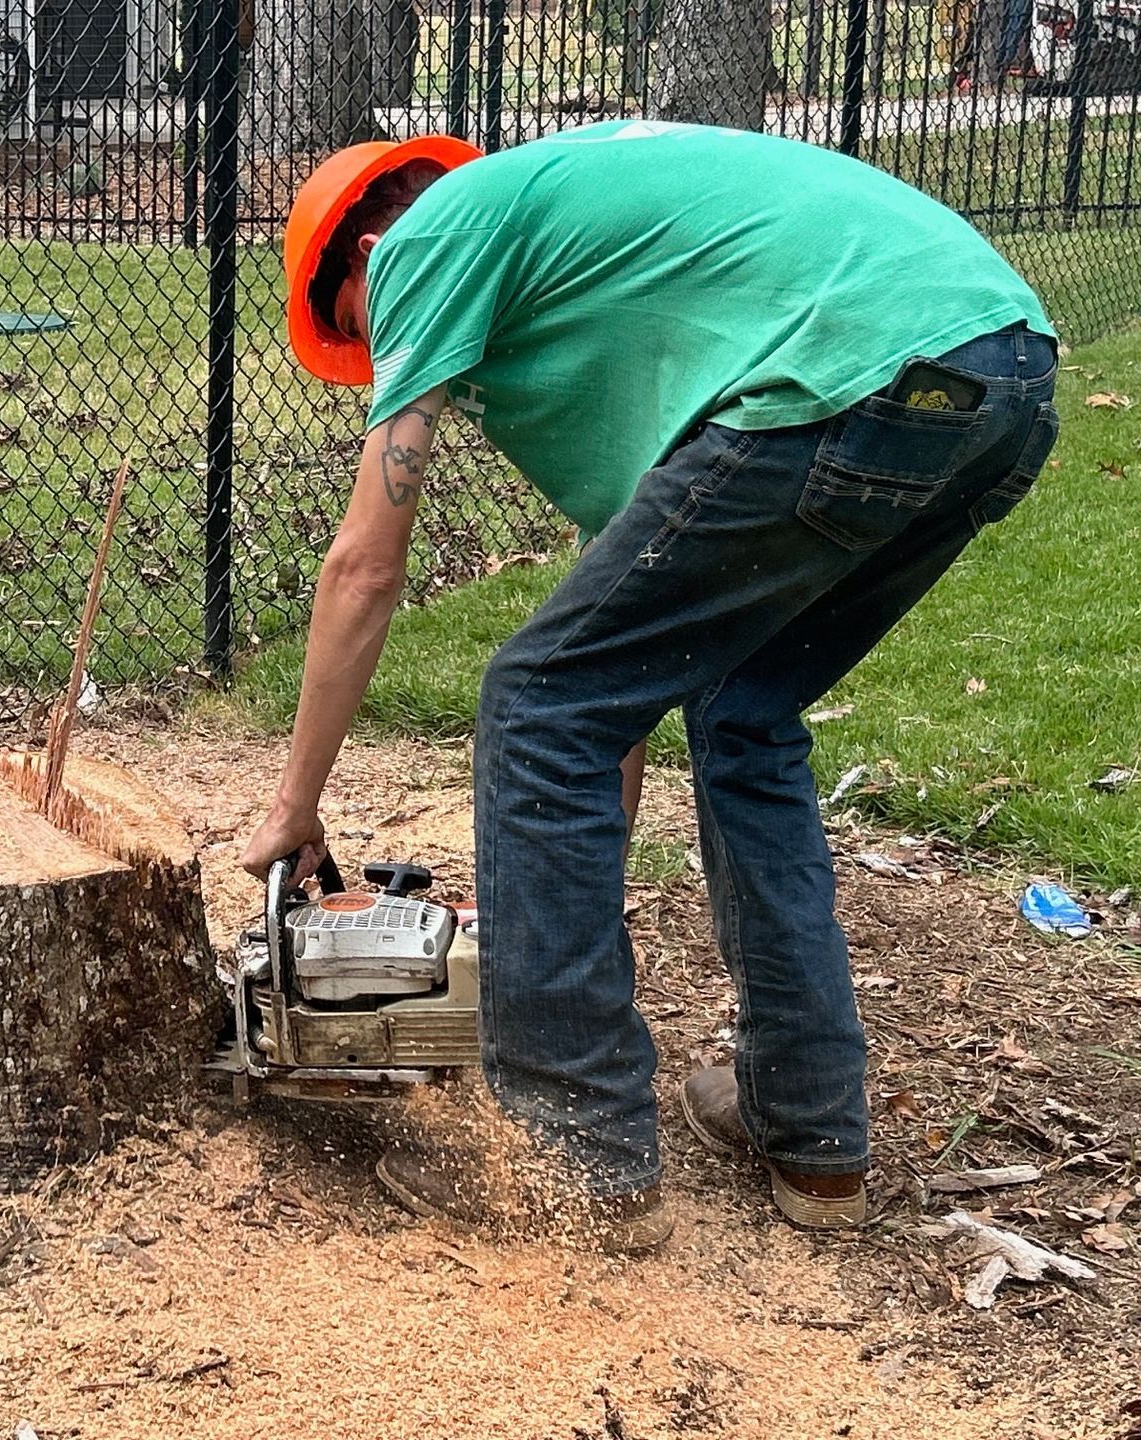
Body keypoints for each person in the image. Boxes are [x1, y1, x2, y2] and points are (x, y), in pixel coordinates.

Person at [238, 120, 1059, 1252]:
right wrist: (554, 904)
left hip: (846, 371)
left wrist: (293, 807)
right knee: (742, 714)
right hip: (999, 369)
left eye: (359, 335)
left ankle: (574, 1155)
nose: (386, 364)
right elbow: (621, 681)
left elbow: (365, 566)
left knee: (529, 702)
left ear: (369, 256)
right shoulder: (596, 278)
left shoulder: (426, 238)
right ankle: (811, 1133)